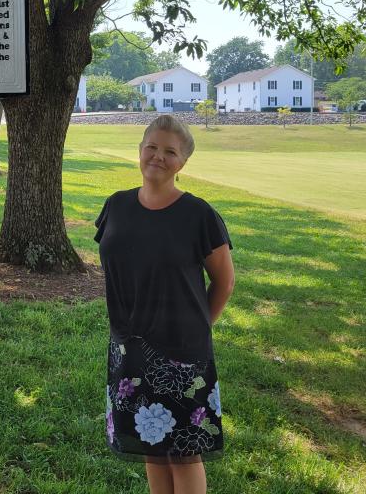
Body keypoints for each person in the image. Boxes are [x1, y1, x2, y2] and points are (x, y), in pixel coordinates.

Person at [95, 114, 235, 494]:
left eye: (170, 151)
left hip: (181, 351)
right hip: (128, 347)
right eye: (152, 147)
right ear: (139, 150)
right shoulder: (116, 206)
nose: (158, 157)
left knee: (185, 453)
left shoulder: (199, 215)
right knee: (151, 446)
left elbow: (224, 281)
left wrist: (198, 327)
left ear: (183, 161)